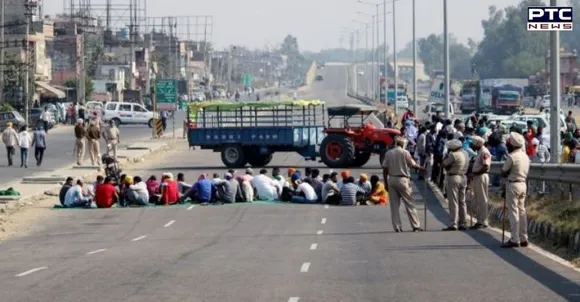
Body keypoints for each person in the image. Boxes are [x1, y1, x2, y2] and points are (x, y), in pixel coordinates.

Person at [382, 136, 425, 232]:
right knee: (409, 204)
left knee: (394, 206)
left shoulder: (388, 153)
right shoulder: (405, 153)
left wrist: (385, 183)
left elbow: (385, 169)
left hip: (392, 179)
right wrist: (423, 169)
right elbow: (413, 165)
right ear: (403, 144)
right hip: (403, 179)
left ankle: (397, 226)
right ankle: (415, 225)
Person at [501, 132, 530, 248]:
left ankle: (514, 238)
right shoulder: (525, 156)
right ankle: (524, 237)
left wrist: (505, 174)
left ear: (512, 144)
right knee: (522, 211)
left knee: (513, 212)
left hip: (513, 185)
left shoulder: (512, 156)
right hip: (523, 184)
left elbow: (503, 171)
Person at [441, 139, 469, 231]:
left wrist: (447, 154)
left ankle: (454, 223)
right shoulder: (465, 153)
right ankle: (463, 222)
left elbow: (444, 164)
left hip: (454, 177)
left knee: (453, 201)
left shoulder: (453, 155)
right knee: (462, 201)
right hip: (463, 177)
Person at [469, 136, 491, 229]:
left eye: (473, 144)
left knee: (482, 199)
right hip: (478, 177)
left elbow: (486, 166)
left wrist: (475, 173)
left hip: (481, 176)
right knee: (478, 199)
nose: (472, 146)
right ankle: (479, 220)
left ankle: (483, 220)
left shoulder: (484, 152)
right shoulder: (480, 152)